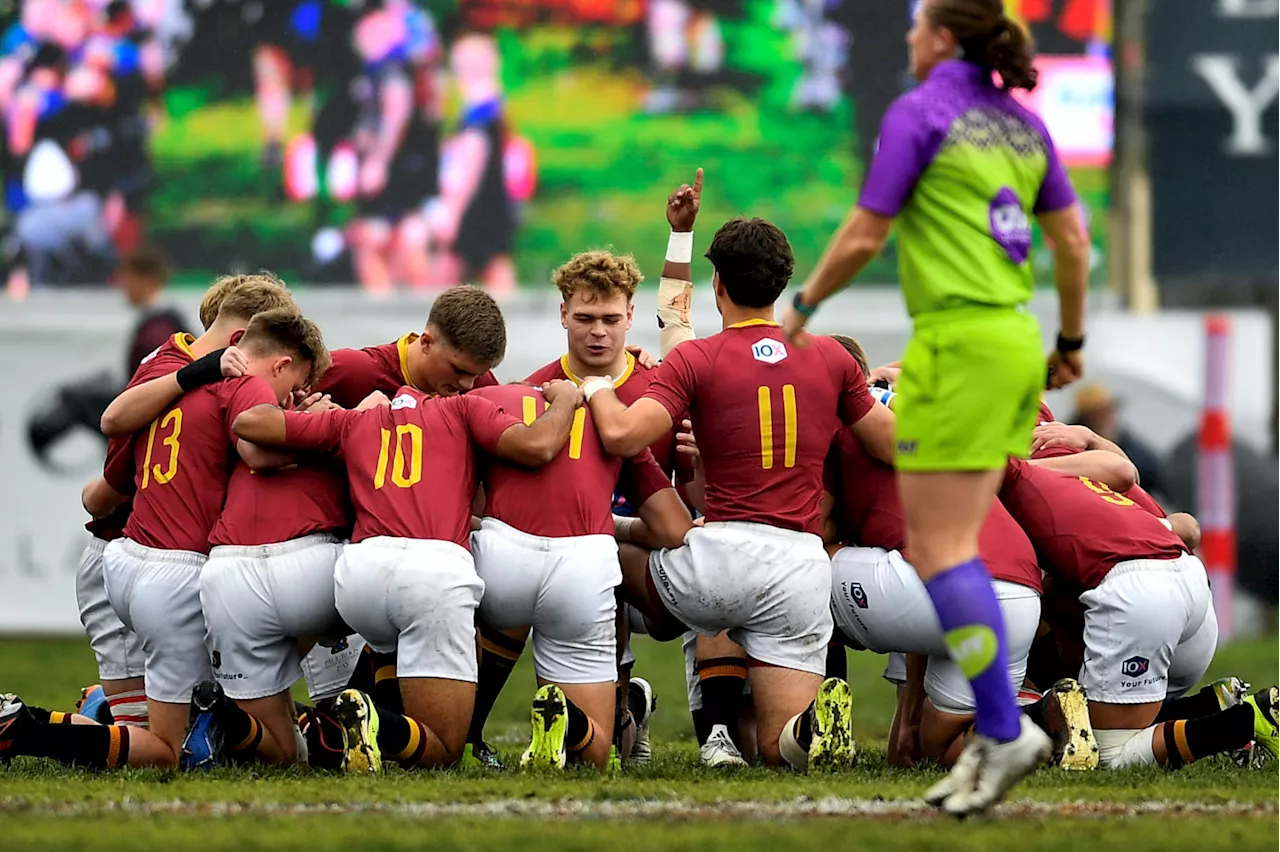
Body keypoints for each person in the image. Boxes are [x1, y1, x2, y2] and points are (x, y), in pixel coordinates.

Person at [780, 0, 1090, 815]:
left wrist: (802, 308)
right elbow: (1073, 242)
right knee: (952, 544)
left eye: (917, 26)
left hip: (956, 342)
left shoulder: (918, 112)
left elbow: (863, 234)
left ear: (943, 38)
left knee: (941, 547)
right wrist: (1073, 341)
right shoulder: (1024, 126)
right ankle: (995, 727)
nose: (908, 38)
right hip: (1017, 342)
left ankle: (1003, 724)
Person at [580, 214, 896, 772]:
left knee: (598, 549)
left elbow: (623, 433)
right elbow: (897, 448)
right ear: (785, 283)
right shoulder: (832, 358)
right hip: (801, 566)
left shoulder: (697, 357)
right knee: (779, 749)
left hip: (717, 560)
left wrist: (597, 386)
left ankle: (612, 701)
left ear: (718, 285)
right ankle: (806, 732)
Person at [1, 308, 320, 770]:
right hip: (174, 578)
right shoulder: (242, 387)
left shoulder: (167, 381)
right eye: (294, 386)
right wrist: (317, 428)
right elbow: (257, 450)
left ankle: (149, 709)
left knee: (183, 715)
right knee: (167, 751)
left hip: (123, 560)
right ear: (280, 364)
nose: (292, 397)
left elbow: (102, 486)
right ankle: (25, 728)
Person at [228, 377, 584, 772]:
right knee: (445, 748)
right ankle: (377, 725)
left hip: (360, 576)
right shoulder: (462, 409)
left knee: (389, 637)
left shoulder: (353, 420)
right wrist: (566, 398)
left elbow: (249, 422)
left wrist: (310, 413)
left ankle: (343, 718)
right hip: (432, 571)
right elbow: (538, 444)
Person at [996, 457, 1280, 770]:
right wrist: (1091, 441)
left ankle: (1248, 719)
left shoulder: (1001, 471)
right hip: (1187, 577)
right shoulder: (1077, 467)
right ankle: (1212, 706)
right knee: (1105, 713)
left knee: (1106, 754)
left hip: (1139, 594)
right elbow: (1182, 523)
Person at [469, 381, 693, 770]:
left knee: (427, 588)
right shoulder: (617, 420)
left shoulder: (487, 399)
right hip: (583, 563)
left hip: (499, 557)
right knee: (594, 755)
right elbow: (675, 529)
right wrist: (613, 526)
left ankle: (449, 731)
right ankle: (573, 724)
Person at [1069, 382, 1166, 501]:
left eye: (1108, 410)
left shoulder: (1133, 447)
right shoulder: (1072, 442)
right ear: (1086, 417)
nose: (1107, 417)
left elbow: (1154, 476)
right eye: (1099, 412)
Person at [118, 247, 188, 379]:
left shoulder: (157, 331)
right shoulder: (170, 319)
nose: (124, 286)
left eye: (128, 279)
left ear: (148, 280)